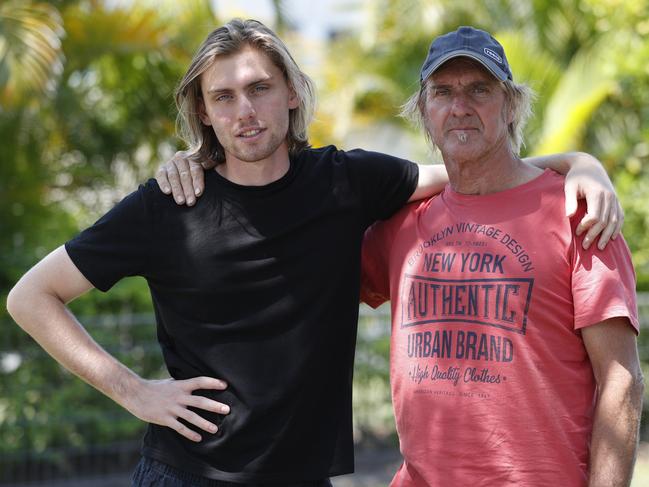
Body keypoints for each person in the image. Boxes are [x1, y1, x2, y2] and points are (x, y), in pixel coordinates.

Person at [6, 19, 624, 486]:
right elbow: (31, 296)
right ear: (203, 111)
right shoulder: (168, 203)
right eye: (223, 97)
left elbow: (477, 168)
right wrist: (135, 391)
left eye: (260, 88)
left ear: (293, 94)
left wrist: (580, 165)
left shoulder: (347, 183)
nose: (245, 112)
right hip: (185, 474)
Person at [359, 26, 643, 486]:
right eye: (443, 92)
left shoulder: (578, 214)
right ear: (424, 110)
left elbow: (621, 380)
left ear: (510, 105)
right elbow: (295, 284)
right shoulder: (401, 227)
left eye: (479, 89)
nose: (460, 106)